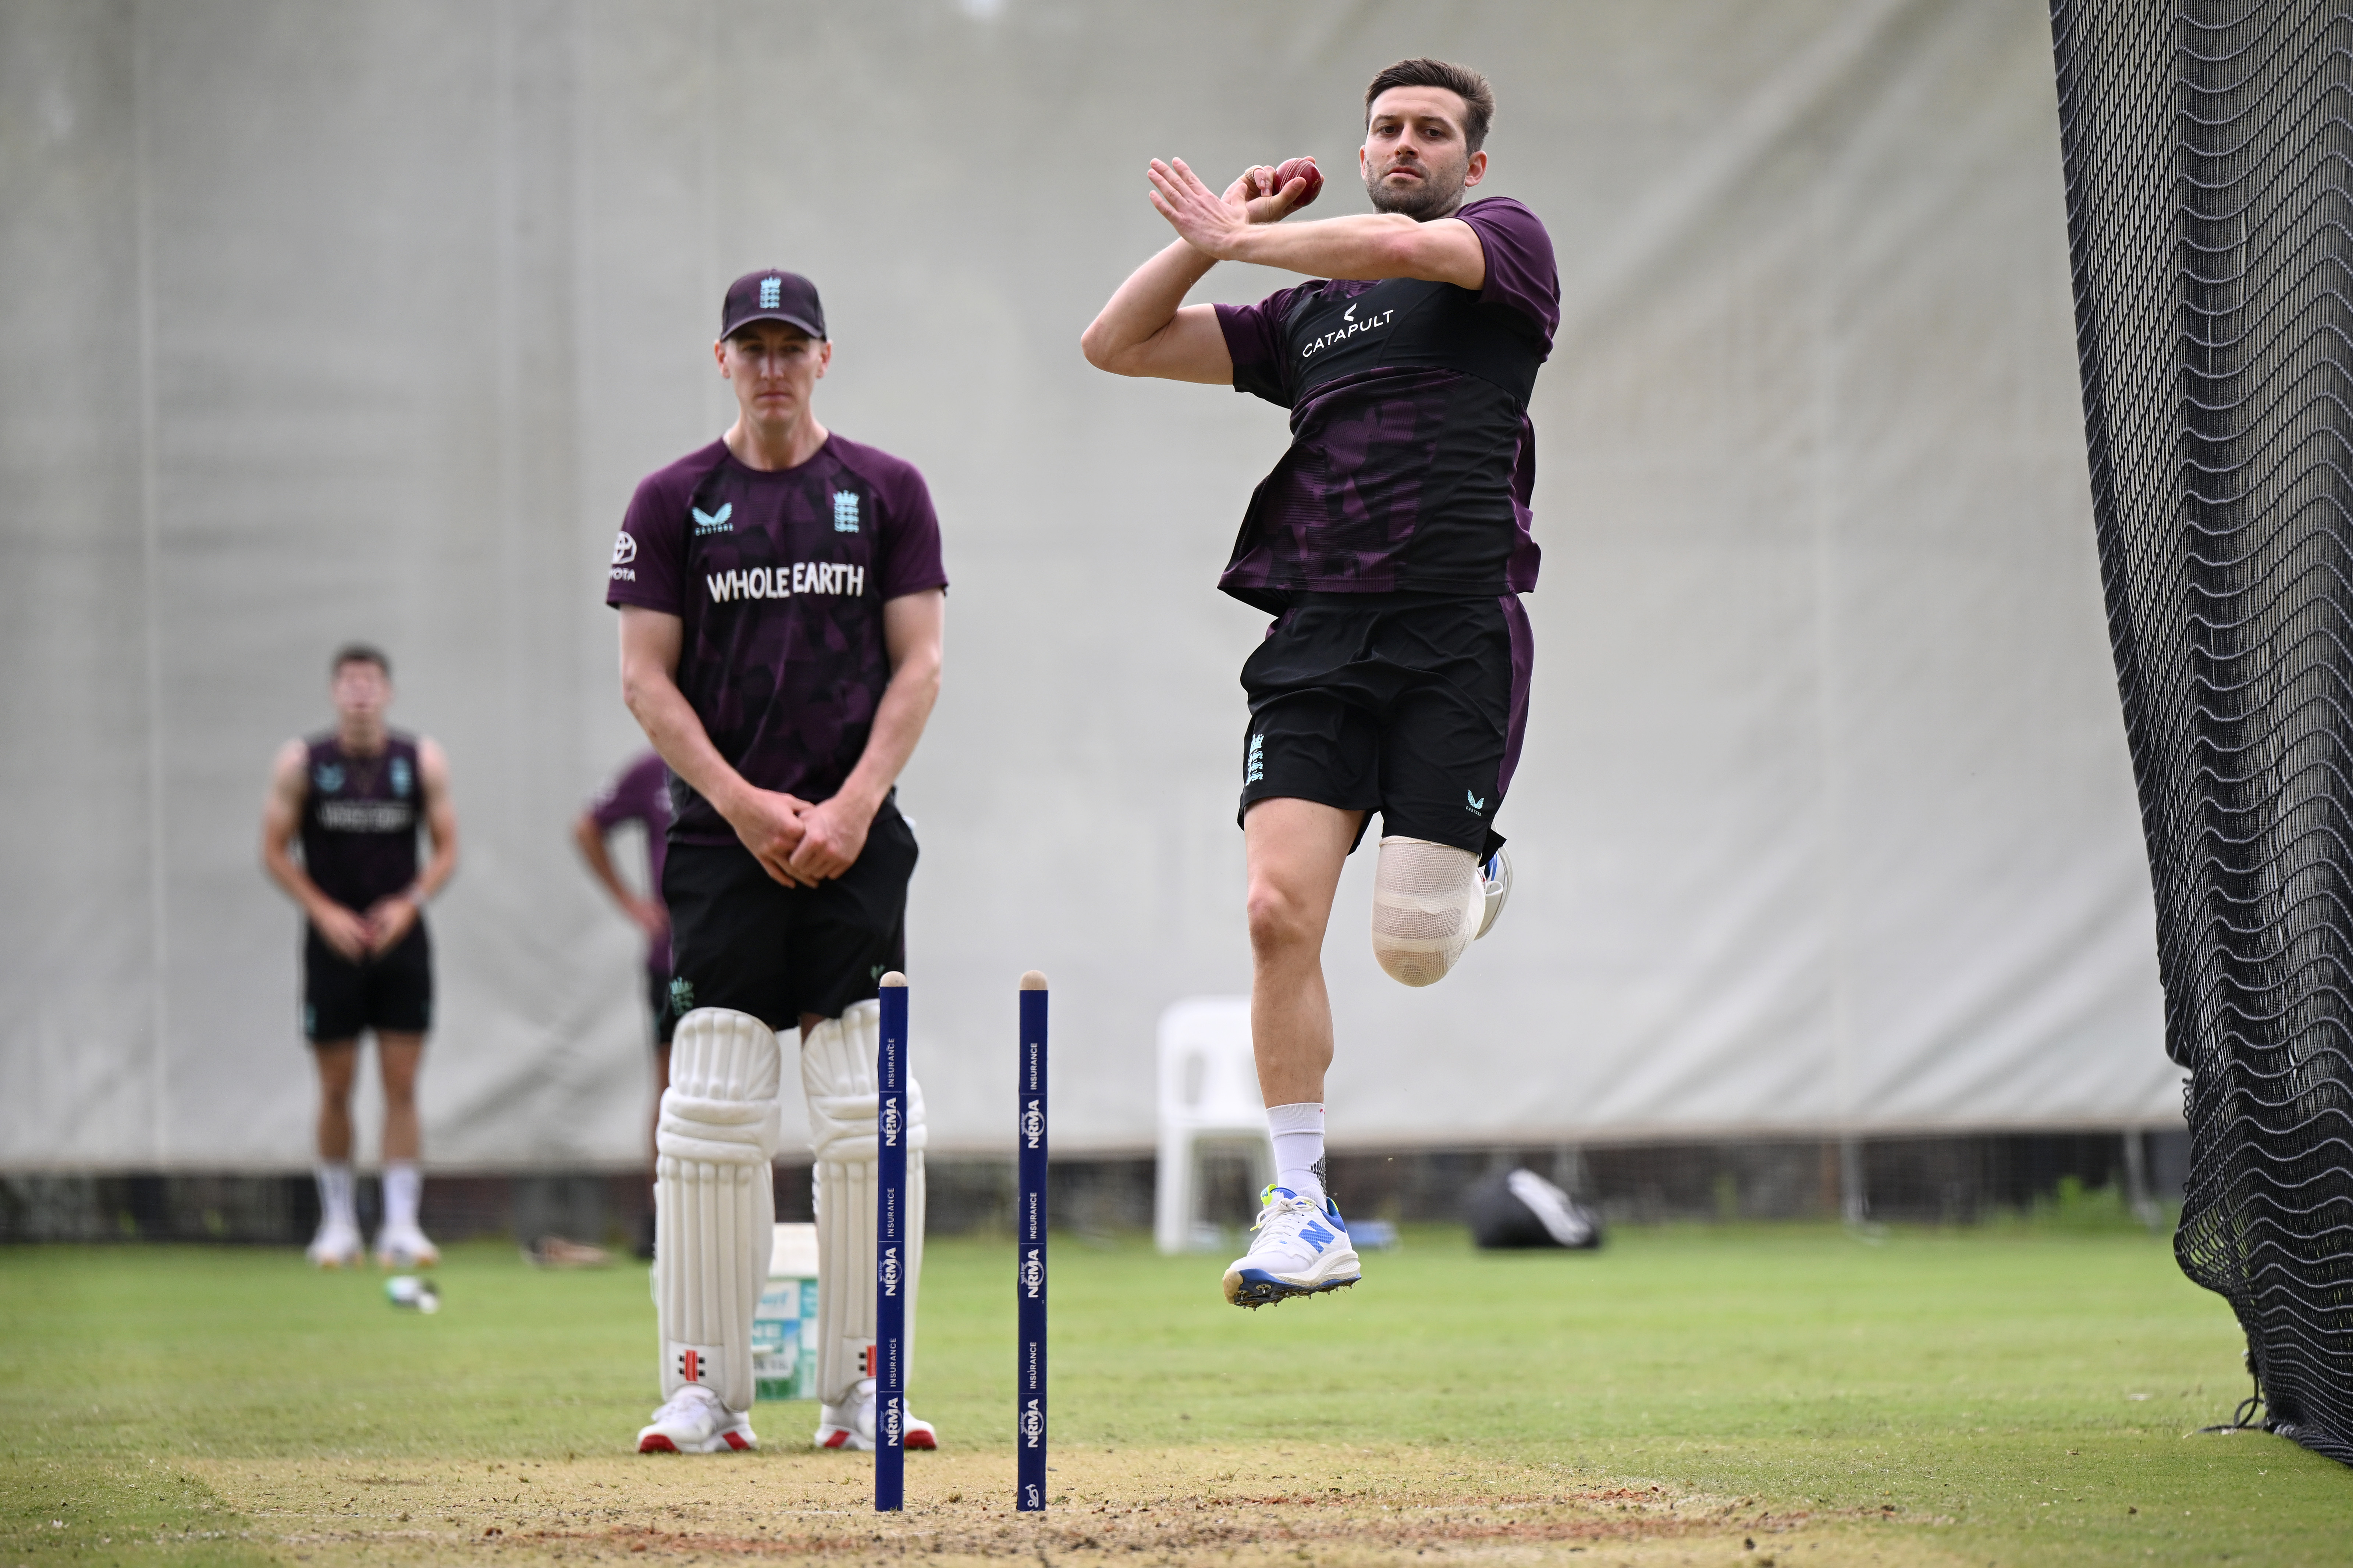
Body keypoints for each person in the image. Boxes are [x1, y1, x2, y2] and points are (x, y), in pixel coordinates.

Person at [1081, 58, 1558, 1308]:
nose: (1405, 145)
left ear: (1472, 161)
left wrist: (1250, 235)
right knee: (1271, 913)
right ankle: (1302, 1206)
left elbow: (1407, 257)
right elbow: (1114, 344)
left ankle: (1472, 869)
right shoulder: (1309, 313)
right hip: (1314, 642)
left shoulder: (1500, 245)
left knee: (1407, 947)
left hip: (1453, 635)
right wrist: (1207, 246)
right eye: (1387, 130)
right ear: (1361, 150)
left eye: (1431, 132)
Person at [607, 267, 948, 1455]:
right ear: (722, 363)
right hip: (717, 840)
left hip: (855, 838)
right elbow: (644, 677)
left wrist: (852, 806)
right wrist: (745, 805)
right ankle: (702, 1391)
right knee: (710, 1104)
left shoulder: (884, 491)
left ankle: (868, 1389)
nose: (769, 367)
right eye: (748, 347)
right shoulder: (670, 501)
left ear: (821, 358)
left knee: (862, 1107)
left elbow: (920, 666)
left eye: (788, 347)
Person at [261, 645, 460, 1269]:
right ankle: (338, 1223)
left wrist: (408, 904)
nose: (360, 693)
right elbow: (273, 849)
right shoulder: (303, 764)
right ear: (334, 693)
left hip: (400, 946)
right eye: (349, 682)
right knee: (336, 1086)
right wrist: (323, 912)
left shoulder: (419, 761)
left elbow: (448, 849)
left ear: (388, 693)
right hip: (333, 948)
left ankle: (401, 1225)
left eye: (371, 681)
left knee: (402, 1086)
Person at [573, 749, 675, 1261]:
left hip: (742, 956)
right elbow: (588, 828)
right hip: (673, 960)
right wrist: (631, 902)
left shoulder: (750, 753)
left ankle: (744, 1216)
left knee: (749, 1084)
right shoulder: (650, 772)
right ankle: (665, 1216)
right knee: (670, 1085)